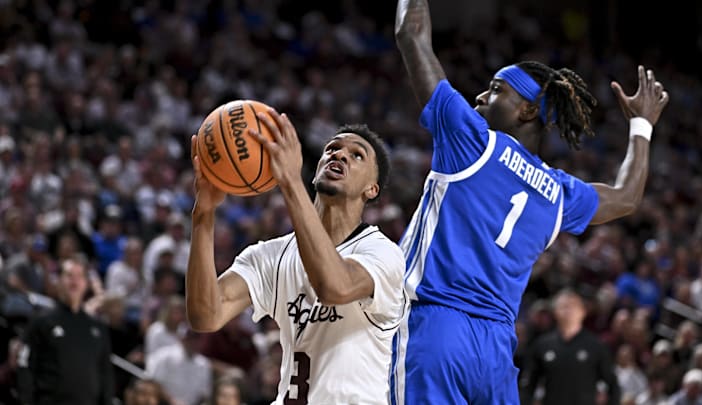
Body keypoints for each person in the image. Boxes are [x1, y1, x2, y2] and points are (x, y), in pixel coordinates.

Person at [392, 1, 670, 403]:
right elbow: (627, 197)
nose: (480, 96)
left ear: (528, 109)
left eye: (496, 90)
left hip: (437, 327)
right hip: (496, 353)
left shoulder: (473, 141)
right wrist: (641, 126)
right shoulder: (557, 193)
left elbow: (410, 36)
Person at [185, 110, 406, 404]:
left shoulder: (382, 253)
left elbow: (334, 286)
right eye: (332, 149)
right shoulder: (271, 255)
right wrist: (203, 217)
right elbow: (205, 315)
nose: (339, 155)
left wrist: (290, 181)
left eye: (357, 155)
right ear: (316, 169)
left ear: (372, 188)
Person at [16, 255, 115, 405]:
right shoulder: (42, 321)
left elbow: (105, 372)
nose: (74, 281)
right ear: (59, 281)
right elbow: (25, 364)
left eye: (79, 276)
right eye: (69, 275)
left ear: (86, 284)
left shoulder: (98, 328)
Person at [519, 289, 620, 405]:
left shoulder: (596, 346)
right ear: (555, 312)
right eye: (563, 306)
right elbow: (528, 386)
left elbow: (613, 385)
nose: (568, 310)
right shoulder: (542, 345)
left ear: (583, 311)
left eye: (573, 306)